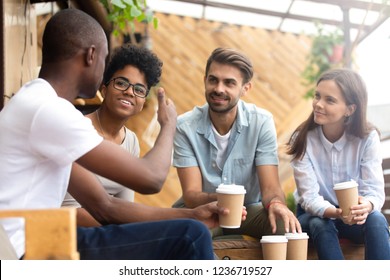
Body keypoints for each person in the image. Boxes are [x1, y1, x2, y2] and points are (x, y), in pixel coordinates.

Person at [0, 9, 246, 260]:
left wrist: (192, 214)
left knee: (189, 232)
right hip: (24, 249)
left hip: (35, 240)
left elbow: (106, 206)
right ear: (91, 55)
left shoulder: (41, 106)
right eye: (106, 61)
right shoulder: (50, 111)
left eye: (139, 89)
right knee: (190, 236)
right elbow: (151, 179)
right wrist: (170, 124)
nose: (129, 92)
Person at [172, 47, 301, 239]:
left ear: (245, 88)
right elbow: (191, 195)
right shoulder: (185, 126)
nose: (219, 89)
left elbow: (270, 188)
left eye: (229, 83)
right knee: (187, 237)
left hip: (247, 212)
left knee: (283, 224)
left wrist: (277, 204)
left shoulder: (261, 122)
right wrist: (227, 200)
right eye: (213, 80)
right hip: (201, 211)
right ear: (205, 80)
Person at [286, 68, 390, 260]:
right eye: (317, 96)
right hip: (313, 216)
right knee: (320, 223)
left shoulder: (367, 138)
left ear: (350, 109)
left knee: (376, 219)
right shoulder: (302, 139)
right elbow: (308, 197)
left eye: (329, 100)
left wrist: (366, 205)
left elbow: (374, 191)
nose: (318, 104)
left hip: (353, 215)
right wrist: (335, 212)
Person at [62, 44, 161, 227]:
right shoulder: (79, 130)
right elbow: (69, 211)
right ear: (104, 88)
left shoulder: (131, 141)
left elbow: (125, 206)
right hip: (68, 232)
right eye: (122, 83)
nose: (129, 92)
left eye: (139, 89)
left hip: (108, 231)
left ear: (142, 102)